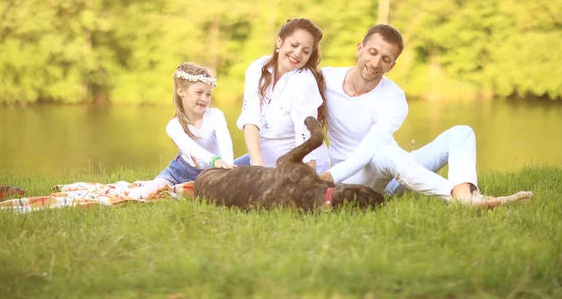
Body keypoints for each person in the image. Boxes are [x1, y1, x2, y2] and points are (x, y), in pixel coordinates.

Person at [318, 24, 532, 207]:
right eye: (372, 52)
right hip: (352, 179)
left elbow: (369, 149)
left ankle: (464, 194)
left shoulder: (394, 98)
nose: (375, 63)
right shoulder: (326, 79)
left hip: (390, 170)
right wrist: (324, 174)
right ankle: (464, 198)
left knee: (461, 133)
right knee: (388, 155)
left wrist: (328, 177)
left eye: (385, 59)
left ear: (392, 66)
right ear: (360, 48)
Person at [234, 18, 330, 173]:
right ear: (279, 42)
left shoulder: (305, 81)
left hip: (297, 165)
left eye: (306, 51)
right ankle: (180, 188)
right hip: (262, 161)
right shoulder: (258, 68)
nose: (297, 53)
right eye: (294, 45)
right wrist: (258, 166)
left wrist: (308, 179)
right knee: (214, 176)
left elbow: (306, 135)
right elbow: (250, 119)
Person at [128, 63, 235, 199]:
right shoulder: (174, 126)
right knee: (147, 192)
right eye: (199, 92)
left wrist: (227, 168)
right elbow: (192, 149)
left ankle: (186, 189)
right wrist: (215, 160)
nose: (204, 98)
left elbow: (225, 141)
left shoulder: (216, 115)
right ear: (181, 92)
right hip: (182, 171)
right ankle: (153, 187)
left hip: (214, 172)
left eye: (208, 94)